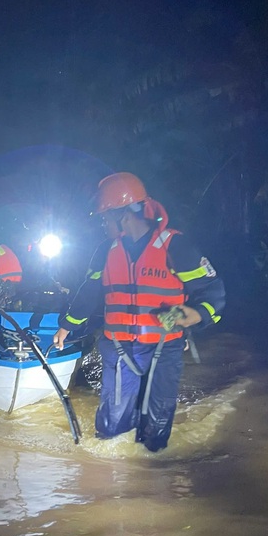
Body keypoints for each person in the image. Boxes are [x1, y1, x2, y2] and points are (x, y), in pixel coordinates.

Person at [53, 172, 225, 452]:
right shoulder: (105, 251)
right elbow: (89, 293)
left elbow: (213, 291)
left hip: (164, 348)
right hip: (118, 346)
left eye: (104, 218)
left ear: (124, 216)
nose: (102, 224)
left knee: (155, 432)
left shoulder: (176, 247)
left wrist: (194, 315)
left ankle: (153, 479)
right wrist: (67, 325)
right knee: (112, 431)